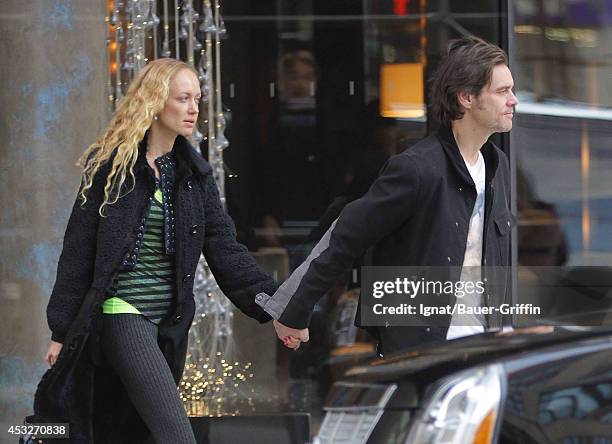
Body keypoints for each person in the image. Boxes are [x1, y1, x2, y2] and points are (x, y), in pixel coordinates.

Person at [31, 58, 280, 443]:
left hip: (166, 326)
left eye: (197, 98)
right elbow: (78, 250)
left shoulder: (193, 177)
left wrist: (275, 308)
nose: (194, 108)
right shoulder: (111, 169)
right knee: (177, 436)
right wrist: (61, 330)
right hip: (122, 313)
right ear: (155, 102)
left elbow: (225, 249)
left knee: (129, 432)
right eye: (183, 98)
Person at [258, 36, 519, 356]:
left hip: (488, 345)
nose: (514, 100)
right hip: (423, 351)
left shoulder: (497, 167)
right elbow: (346, 236)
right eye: (502, 91)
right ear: (466, 97)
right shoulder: (416, 169)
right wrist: (293, 310)